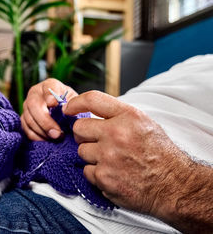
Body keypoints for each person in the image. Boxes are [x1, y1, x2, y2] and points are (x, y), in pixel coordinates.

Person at [21, 55, 213, 233]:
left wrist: (170, 182)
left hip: (65, 213)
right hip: (28, 165)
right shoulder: (198, 62)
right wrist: (62, 107)